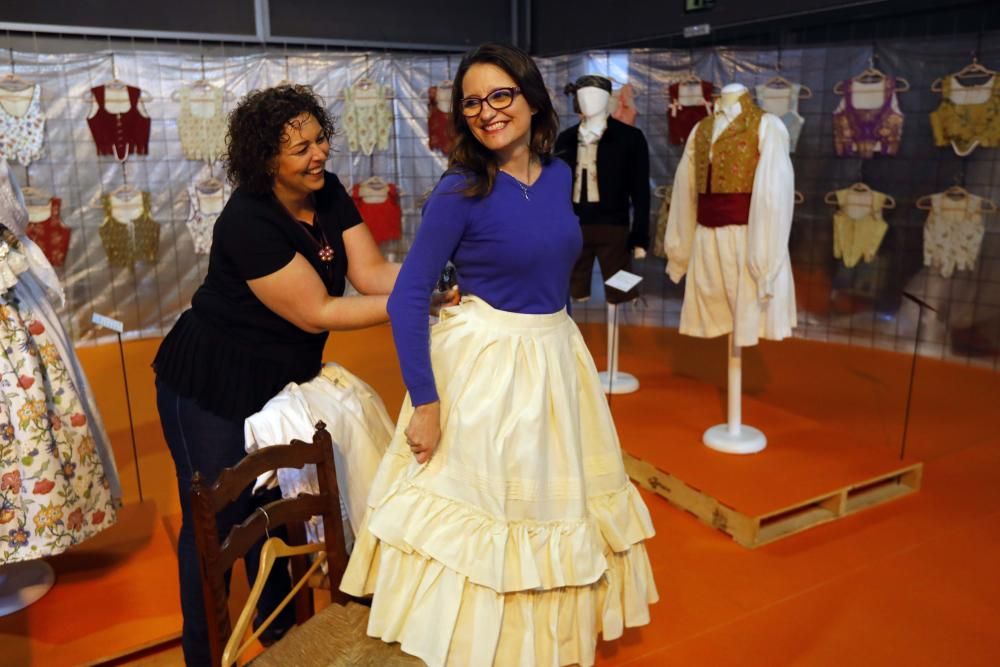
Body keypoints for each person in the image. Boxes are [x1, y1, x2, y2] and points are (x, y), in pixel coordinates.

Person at [341, 44, 658, 667]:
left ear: (531, 98)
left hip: (555, 356)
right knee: (489, 512)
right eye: (473, 101)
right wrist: (426, 404)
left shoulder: (560, 173)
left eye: (500, 95)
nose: (487, 112)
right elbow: (407, 300)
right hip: (487, 368)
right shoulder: (461, 189)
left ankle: (539, 645)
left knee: (552, 501)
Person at [153, 85, 416, 666]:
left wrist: (431, 274)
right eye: (300, 149)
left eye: (320, 138)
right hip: (209, 384)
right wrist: (423, 300)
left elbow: (370, 273)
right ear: (266, 160)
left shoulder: (327, 191)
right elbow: (318, 311)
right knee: (217, 520)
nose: (318, 154)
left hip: (279, 381)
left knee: (269, 507)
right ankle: (205, 655)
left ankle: (278, 639)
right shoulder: (248, 220)